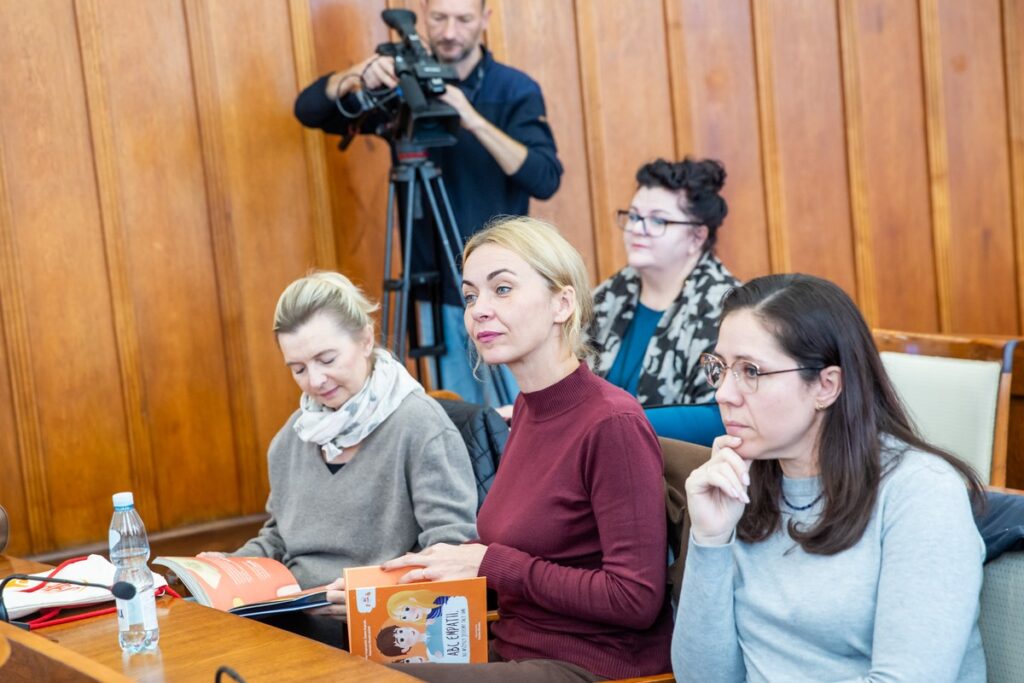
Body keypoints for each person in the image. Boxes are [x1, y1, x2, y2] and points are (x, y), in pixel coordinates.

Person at [383, 217, 673, 682]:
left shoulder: (611, 423)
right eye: (471, 295)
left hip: (595, 665)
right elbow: (516, 548)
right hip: (515, 650)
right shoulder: (529, 408)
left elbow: (634, 599)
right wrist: (391, 584)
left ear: (562, 303)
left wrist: (486, 562)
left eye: (502, 290)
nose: (479, 310)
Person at [672, 273, 987, 682]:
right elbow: (704, 679)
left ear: (826, 385)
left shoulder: (920, 492)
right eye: (721, 368)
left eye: (750, 371)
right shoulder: (739, 488)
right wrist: (710, 540)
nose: (723, 394)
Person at [294, 0, 563, 406]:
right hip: (427, 282)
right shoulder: (403, 89)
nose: (450, 32)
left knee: (507, 414)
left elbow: (544, 177)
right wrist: (355, 76)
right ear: (423, 16)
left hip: (497, 285)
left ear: (485, 20)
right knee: (453, 410)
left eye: (463, 19)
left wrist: (470, 118)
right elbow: (309, 109)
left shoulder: (513, 89)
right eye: (439, 18)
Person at [214, 271, 477, 642]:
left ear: (366, 339)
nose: (316, 381)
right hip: (291, 619)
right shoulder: (292, 438)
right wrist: (226, 570)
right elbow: (278, 538)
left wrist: (366, 595)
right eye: (299, 369)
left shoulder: (419, 426)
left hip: (380, 629)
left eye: (327, 359)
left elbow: (451, 550)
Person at [589, 157, 740, 406]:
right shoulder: (609, 294)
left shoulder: (727, 308)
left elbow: (714, 414)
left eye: (658, 221)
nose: (637, 229)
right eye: (635, 216)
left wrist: (608, 422)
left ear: (697, 237)